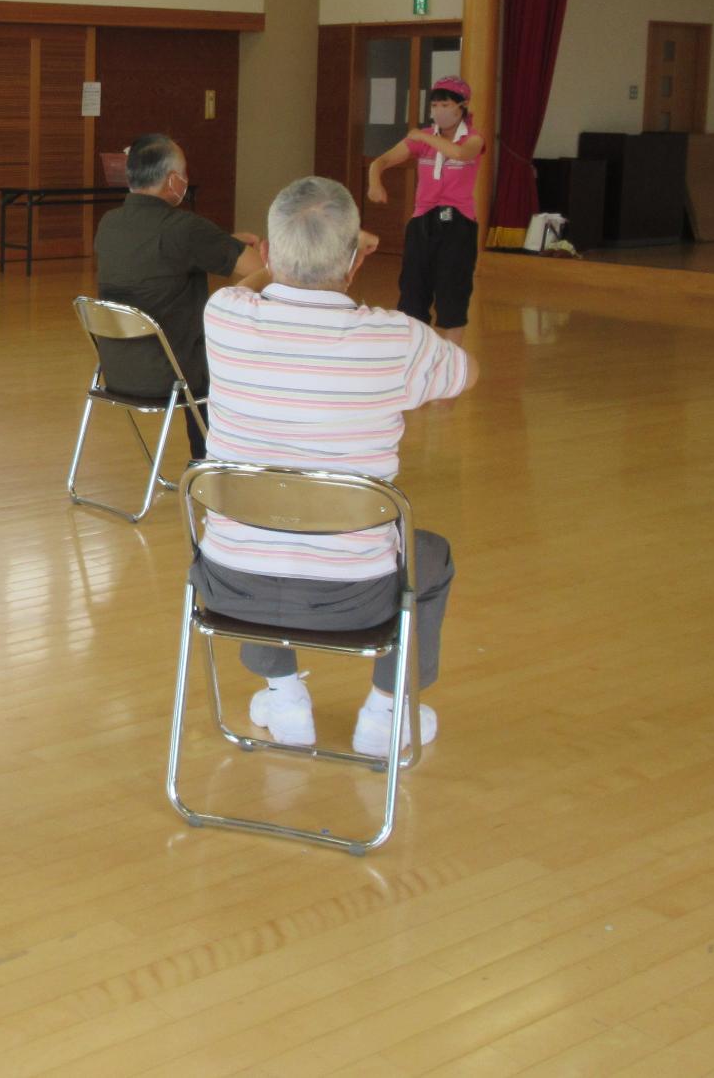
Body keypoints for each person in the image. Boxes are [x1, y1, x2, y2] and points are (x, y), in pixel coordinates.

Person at [191, 175, 470, 755]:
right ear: (352, 262)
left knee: (261, 533)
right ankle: (386, 713)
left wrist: (279, 267)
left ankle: (285, 696)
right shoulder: (397, 339)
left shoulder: (223, 315)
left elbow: (249, 285)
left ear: (267, 252)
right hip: (356, 594)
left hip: (230, 584)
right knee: (431, 556)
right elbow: (465, 375)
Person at [92, 133, 262, 460]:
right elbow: (257, 269)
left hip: (118, 370)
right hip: (173, 374)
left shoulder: (110, 224)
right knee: (227, 355)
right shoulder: (184, 228)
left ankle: (208, 460)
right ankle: (214, 462)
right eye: (183, 173)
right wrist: (274, 266)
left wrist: (219, 243)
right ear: (172, 180)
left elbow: (160, 257)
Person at [367, 75, 486, 346]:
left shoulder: (473, 138)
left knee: (452, 292)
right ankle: (413, 352)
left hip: (458, 223)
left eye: (445, 104)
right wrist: (375, 182)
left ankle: (450, 359)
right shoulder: (425, 138)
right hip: (423, 220)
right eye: (434, 105)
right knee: (412, 290)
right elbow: (381, 160)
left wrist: (423, 136)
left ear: (462, 105)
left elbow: (459, 154)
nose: (438, 111)